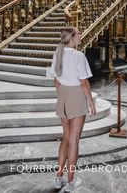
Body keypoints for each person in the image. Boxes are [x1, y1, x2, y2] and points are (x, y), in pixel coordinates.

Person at [47, 27, 96, 192]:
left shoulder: (58, 53)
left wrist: (62, 96)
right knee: (74, 141)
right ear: (73, 37)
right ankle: (69, 183)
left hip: (63, 95)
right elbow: (84, 83)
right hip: (75, 95)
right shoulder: (79, 56)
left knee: (65, 139)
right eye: (79, 33)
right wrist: (91, 103)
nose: (81, 35)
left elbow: (56, 81)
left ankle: (58, 178)